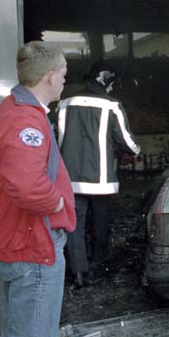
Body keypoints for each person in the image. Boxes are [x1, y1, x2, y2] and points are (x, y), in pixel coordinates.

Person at [0, 41, 76, 337]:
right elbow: (28, 187)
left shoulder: (9, 111)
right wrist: (56, 204)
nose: (65, 78)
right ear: (50, 76)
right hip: (34, 248)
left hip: (17, 242)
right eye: (63, 72)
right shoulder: (26, 121)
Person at [57, 60, 140, 287]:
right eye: (112, 84)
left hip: (71, 176)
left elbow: (56, 138)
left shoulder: (65, 104)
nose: (112, 89)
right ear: (105, 81)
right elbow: (127, 142)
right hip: (101, 177)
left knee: (75, 223)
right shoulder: (111, 105)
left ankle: (79, 272)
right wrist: (136, 150)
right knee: (102, 217)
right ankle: (100, 262)